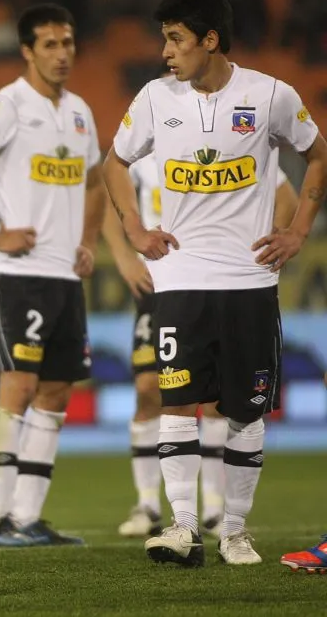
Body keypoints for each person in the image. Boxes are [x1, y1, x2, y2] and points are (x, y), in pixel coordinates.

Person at [103, 0, 327, 567]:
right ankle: (182, 527)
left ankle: (234, 530)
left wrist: (299, 231)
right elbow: (115, 161)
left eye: (175, 39)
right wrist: (133, 226)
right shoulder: (155, 98)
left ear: (210, 40)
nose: (165, 52)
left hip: (250, 281)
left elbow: (317, 153)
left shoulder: (270, 95)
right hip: (178, 278)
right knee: (176, 404)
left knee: (245, 411)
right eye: (164, 39)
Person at [0, 3, 104, 547]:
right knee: (20, 385)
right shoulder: (7, 104)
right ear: (27, 51)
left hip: (64, 276)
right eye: (50, 45)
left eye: (68, 43)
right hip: (18, 273)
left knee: (56, 391)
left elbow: (96, 183)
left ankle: (27, 519)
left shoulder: (79, 111)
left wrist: (87, 241)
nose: (62, 54)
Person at [106, 149, 299, 539]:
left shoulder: (237, 141)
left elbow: (289, 198)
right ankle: (147, 505)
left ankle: (212, 509)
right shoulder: (146, 148)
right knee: (151, 390)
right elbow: (108, 194)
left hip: (223, 282)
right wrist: (125, 256)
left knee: (214, 399)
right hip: (162, 285)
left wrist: (263, 247)